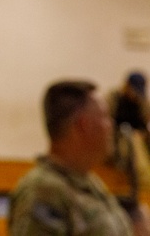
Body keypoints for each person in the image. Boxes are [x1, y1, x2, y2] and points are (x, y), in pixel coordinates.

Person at [8, 80, 150, 236]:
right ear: (84, 125)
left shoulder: (90, 183)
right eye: (105, 117)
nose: (111, 126)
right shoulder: (42, 191)